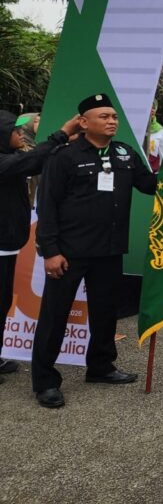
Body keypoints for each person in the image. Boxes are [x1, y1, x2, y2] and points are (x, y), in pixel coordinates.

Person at [31, 94, 163, 409]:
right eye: (104, 116)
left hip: (109, 252)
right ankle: (45, 381)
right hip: (69, 253)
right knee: (54, 317)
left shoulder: (125, 154)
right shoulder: (64, 157)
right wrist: (51, 251)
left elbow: (150, 185)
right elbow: (47, 206)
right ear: (84, 122)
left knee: (104, 314)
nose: (112, 121)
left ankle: (101, 367)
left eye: (113, 116)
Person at [0, 110, 78, 382]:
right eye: (14, 130)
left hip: (7, 247)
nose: (20, 134)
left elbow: (33, 163)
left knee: (3, 303)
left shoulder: (10, 159)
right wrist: (63, 133)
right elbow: (31, 159)